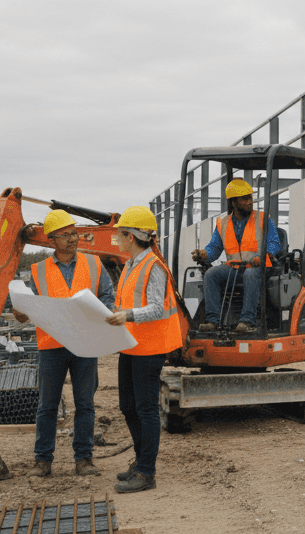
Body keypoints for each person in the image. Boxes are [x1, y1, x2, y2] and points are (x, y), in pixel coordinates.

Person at [13, 209, 115, 478]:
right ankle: (42, 461)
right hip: (52, 346)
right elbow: (28, 307)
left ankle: (84, 459)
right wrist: (21, 312)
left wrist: (103, 315)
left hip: (85, 344)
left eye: (75, 233)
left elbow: (107, 297)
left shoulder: (94, 265)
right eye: (66, 235)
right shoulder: (37, 271)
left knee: (86, 405)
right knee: (47, 406)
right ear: (52, 240)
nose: (73, 238)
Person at [105, 206, 183, 493]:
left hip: (150, 347)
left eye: (120, 234)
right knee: (128, 406)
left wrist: (126, 316)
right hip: (131, 344)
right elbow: (124, 302)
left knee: (146, 409)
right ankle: (140, 462)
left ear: (131, 236)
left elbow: (154, 308)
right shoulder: (130, 265)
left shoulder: (153, 266)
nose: (117, 239)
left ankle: (147, 472)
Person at [192, 179, 281, 333]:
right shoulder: (223, 223)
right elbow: (214, 247)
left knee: (250, 274)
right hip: (235, 269)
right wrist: (204, 254)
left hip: (259, 268)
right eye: (245, 199)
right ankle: (213, 321)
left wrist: (265, 255)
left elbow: (274, 242)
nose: (250, 202)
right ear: (233, 202)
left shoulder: (262, 219)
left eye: (250, 198)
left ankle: (247, 321)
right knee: (211, 275)